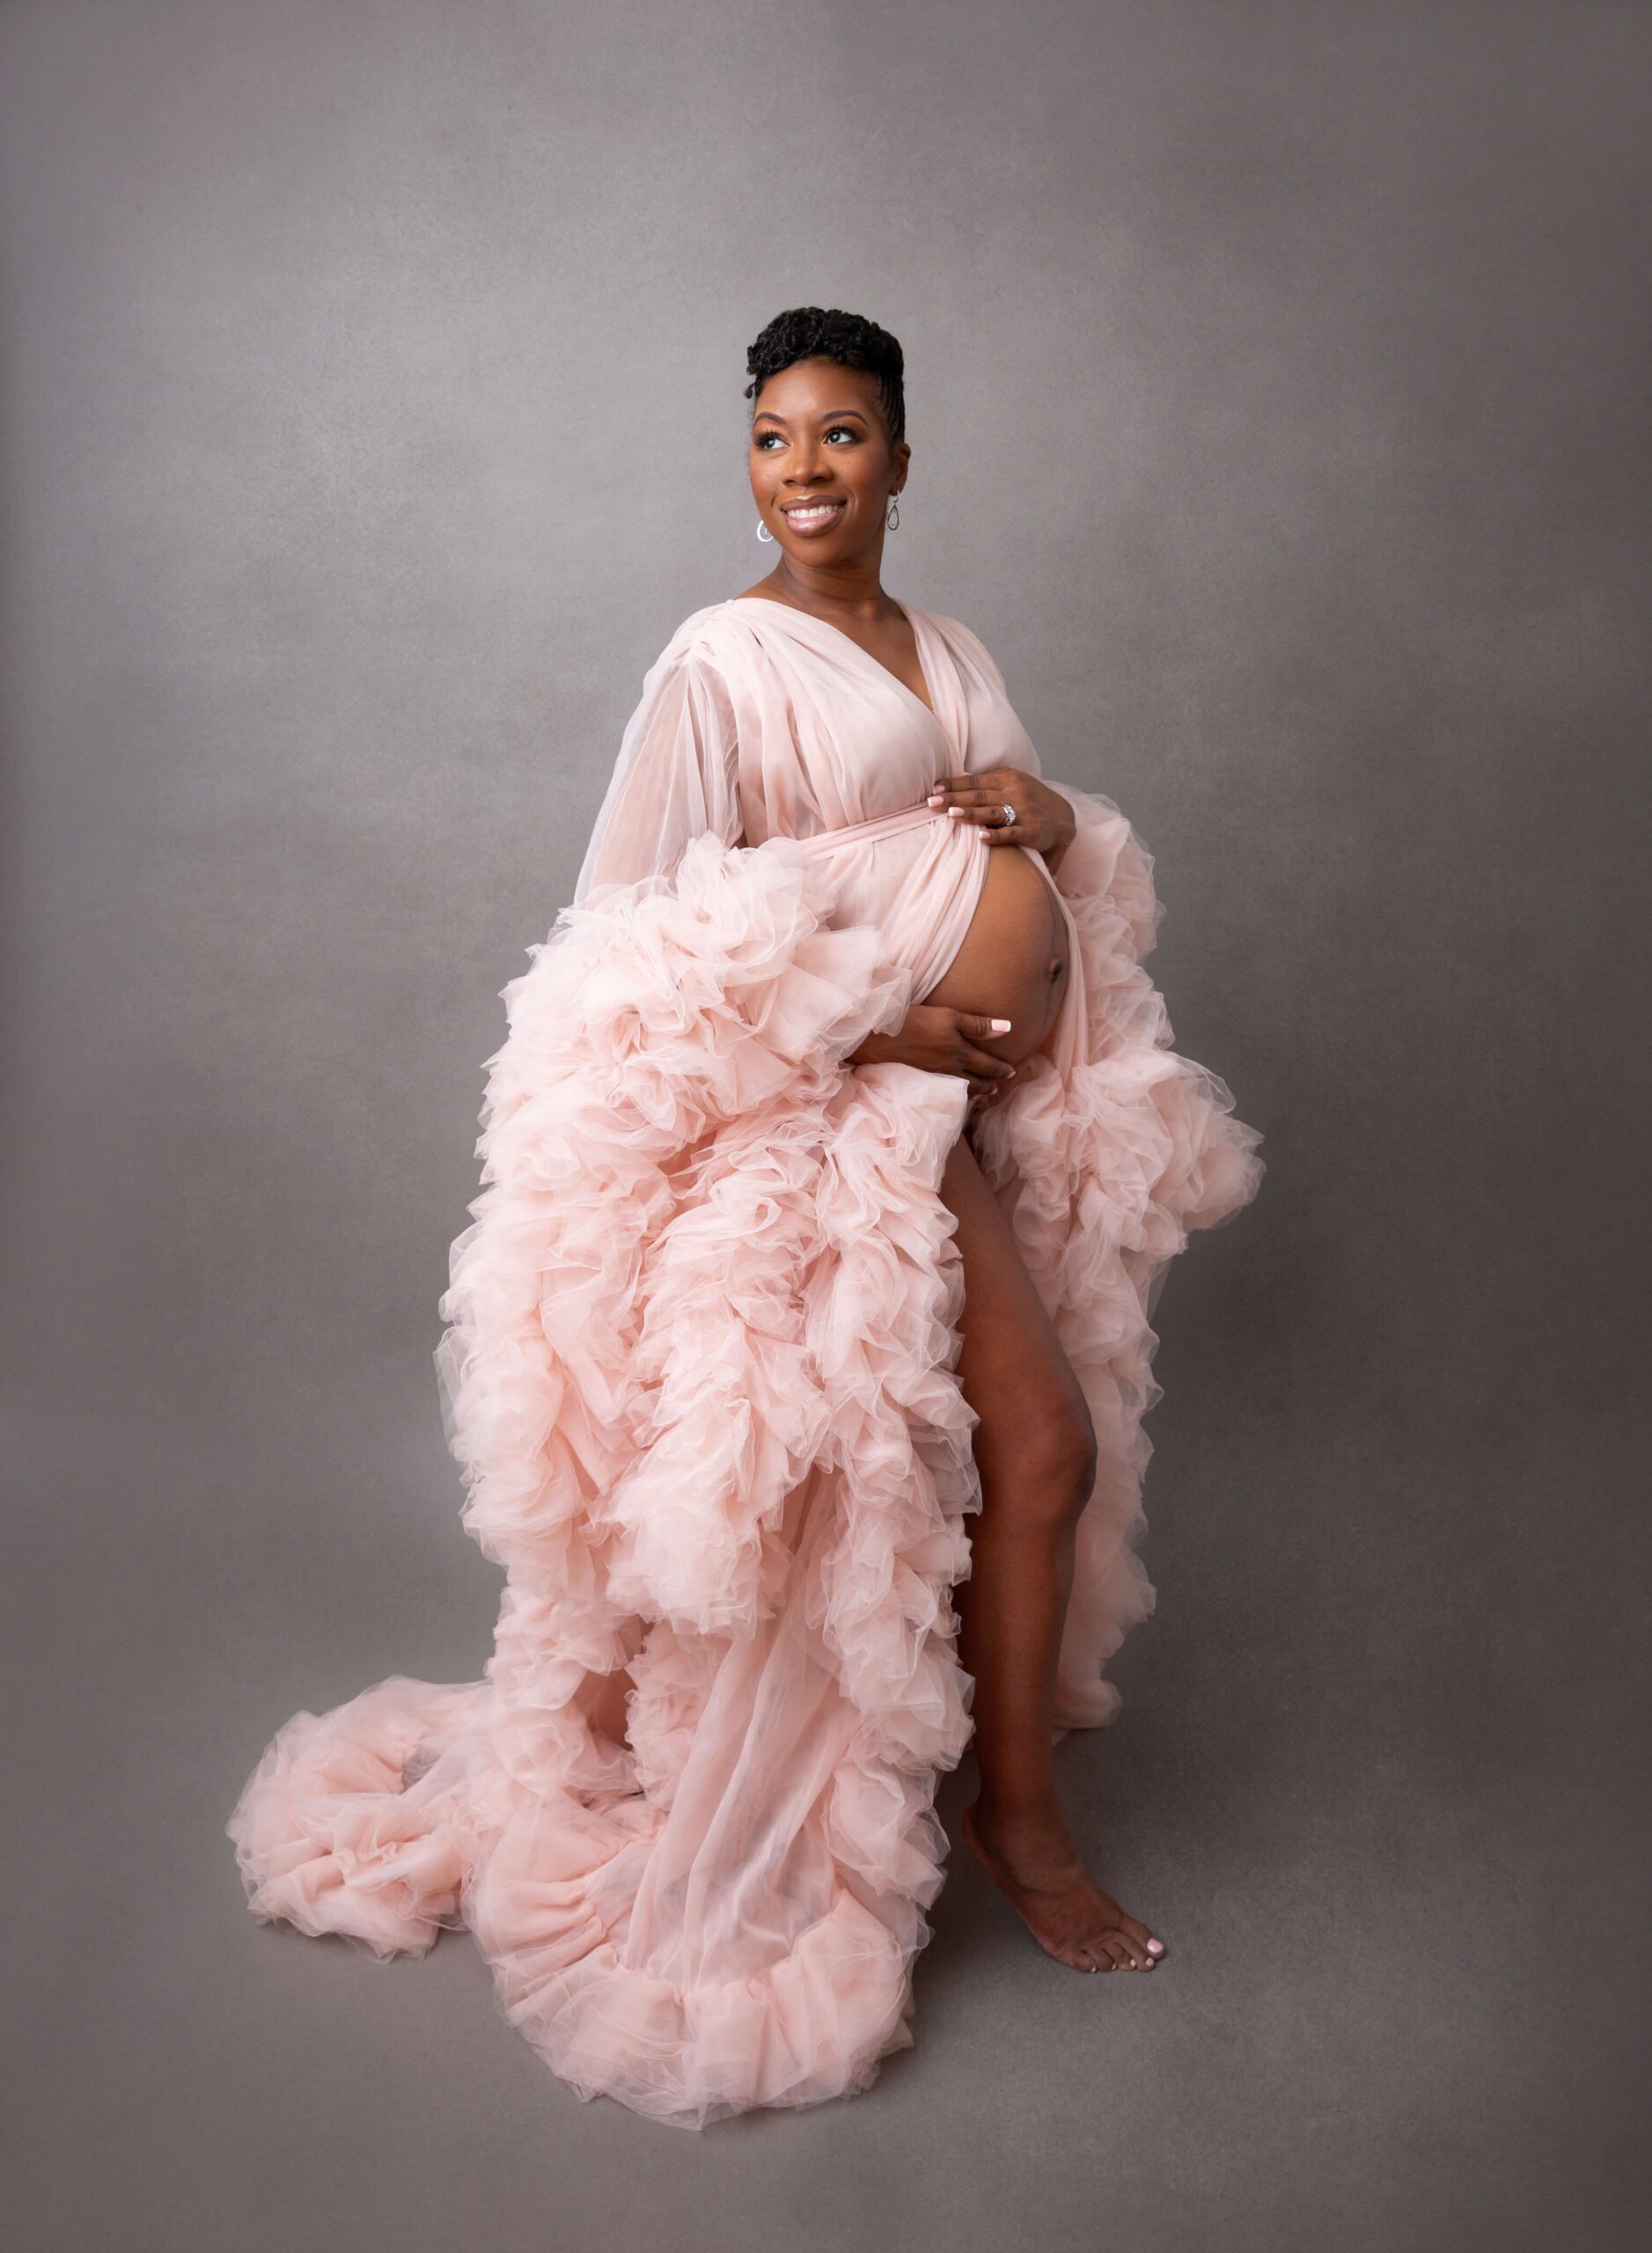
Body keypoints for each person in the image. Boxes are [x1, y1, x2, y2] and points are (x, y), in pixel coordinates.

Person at [226, 306, 1265, 2132]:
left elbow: (1003, 849)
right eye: (776, 438)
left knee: (1008, 1462)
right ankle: (1014, 1822)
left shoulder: (946, 644)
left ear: (903, 458)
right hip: (847, 1113)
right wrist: (878, 1020)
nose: (807, 470)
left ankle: (1003, 1788)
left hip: (968, 1104)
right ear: (750, 459)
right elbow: (623, 940)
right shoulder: (720, 659)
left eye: (844, 436)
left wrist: (1049, 819)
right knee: (1033, 1445)